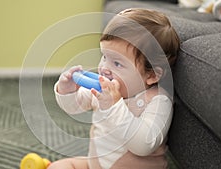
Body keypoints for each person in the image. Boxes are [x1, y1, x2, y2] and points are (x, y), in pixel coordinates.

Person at [51, 8, 180, 169]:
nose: (104, 68)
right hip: (96, 165)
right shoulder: (102, 89)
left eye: (117, 63)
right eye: (104, 57)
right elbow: (74, 106)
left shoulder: (157, 100)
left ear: (152, 75)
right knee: (59, 166)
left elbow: (143, 146)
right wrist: (67, 90)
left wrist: (114, 105)